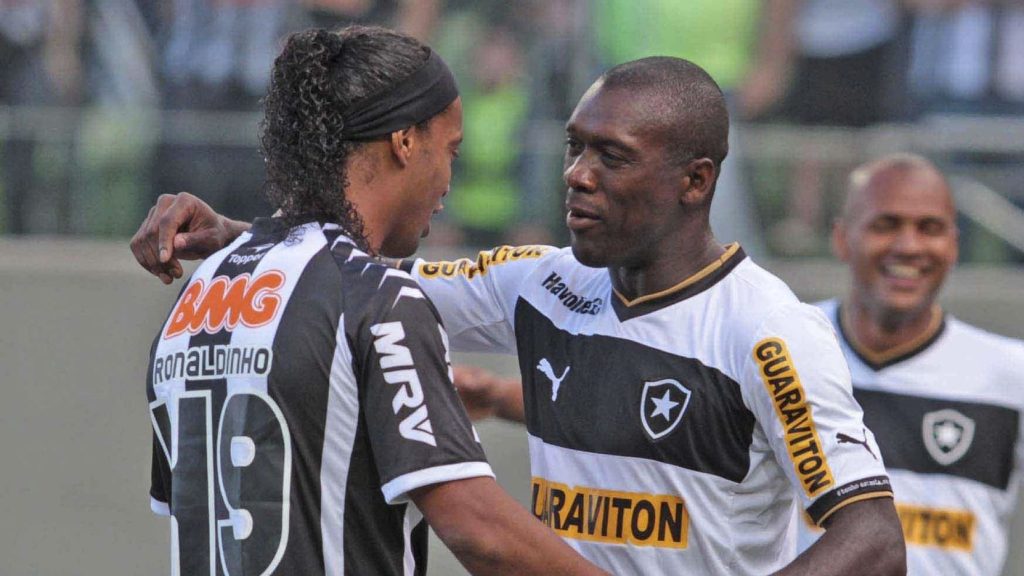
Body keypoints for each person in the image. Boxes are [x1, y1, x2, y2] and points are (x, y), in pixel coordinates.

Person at [132, 56, 906, 574]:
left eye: (612, 156)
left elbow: (872, 538)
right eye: (575, 149)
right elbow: (348, 279)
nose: (577, 175)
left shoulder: (766, 328)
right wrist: (237, 234)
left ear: (694, 181)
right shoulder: (544, 282)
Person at [137, 25, 606, 576]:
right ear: (404, 142)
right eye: (450, 150)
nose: (450, 180)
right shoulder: (379, 298)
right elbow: (477, 529)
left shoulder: (199, 293)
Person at [796, 154, 1024, 575]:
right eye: (886, 225)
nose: (908, 246)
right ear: (843, 238)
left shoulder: (1009, 376)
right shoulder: (781, 349)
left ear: (954, 245)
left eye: (930, 228)